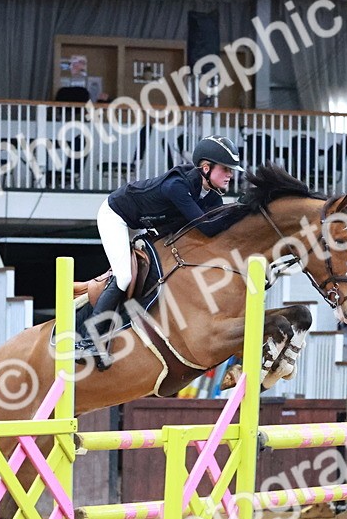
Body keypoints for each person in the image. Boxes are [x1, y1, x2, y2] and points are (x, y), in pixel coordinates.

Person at [76, 136, 245, 361]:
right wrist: (241, 211)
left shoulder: (212, 199)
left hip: (143, 225)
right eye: (225, 169)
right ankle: (89, 340)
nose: (230, 174)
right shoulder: (177, 186)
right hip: (117, 216)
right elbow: (207, 227)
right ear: (206, 168)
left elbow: (213, 232)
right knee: (124, 276)